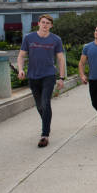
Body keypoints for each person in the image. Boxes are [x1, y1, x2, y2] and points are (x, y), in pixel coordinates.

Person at [17, 14, 66, 148]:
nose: (45, 25)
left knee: (45, 103)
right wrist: (20, 70)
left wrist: (61, 78)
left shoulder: (56, 39)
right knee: (39, 106)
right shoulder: (29, 38)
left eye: (48, 23)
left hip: (49, 76)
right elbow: (21, 56)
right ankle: (46, 124)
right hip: (33, 76)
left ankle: (44, 135)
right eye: (43, 22)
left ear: (51, 25)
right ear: (38, 23)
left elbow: (61, 59)